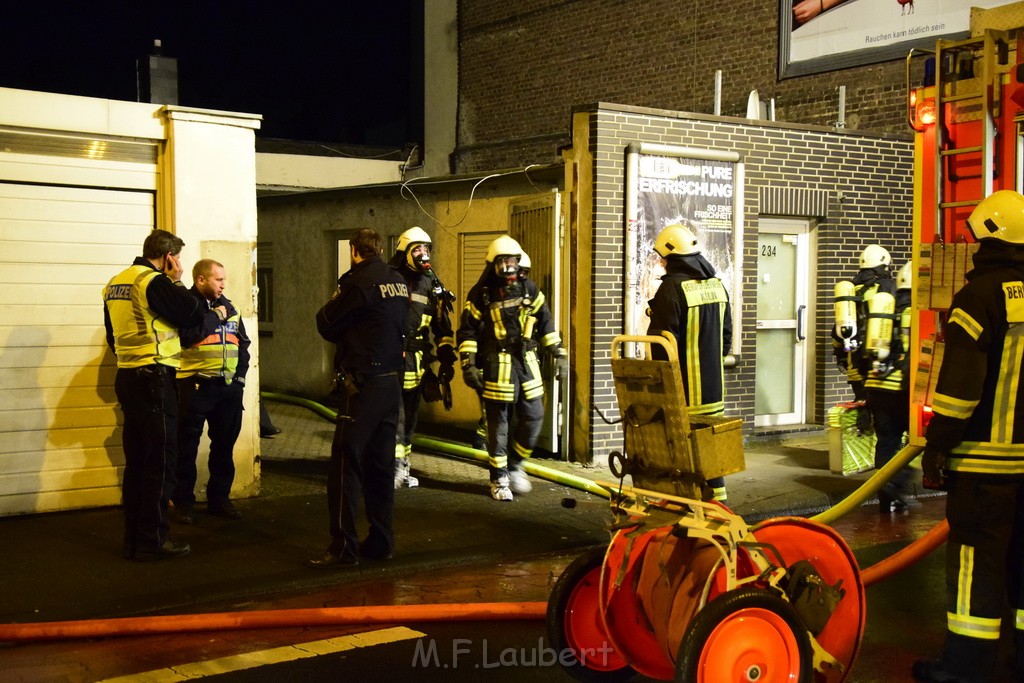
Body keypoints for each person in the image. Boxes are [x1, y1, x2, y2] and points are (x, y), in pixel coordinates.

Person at [914, 190, 1024, 683]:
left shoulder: (979, 297)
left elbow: (959, 392)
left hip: (984, 467)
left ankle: (964, 669)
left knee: (976, 568)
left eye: (975, 237)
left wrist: (937, 444)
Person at [102, 229, 224, 561]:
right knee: (160, 462)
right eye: (178, 258)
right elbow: (192, 312)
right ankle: (153, 540)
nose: (180, 264)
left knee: (138, 462)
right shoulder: (152, 282)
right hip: (155, 379)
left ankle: (133, 538)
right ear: (168, 257)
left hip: (128, 376)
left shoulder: (116, 283)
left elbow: (113, 337)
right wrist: (178, 280)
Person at [307, 228, 409, 569]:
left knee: (345, 465)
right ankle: (382, 542)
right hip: (390, 385)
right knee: (381, 466)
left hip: (362, 387)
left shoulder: (357, 282)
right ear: (380, 248)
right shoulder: (396, 280)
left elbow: (325, 322)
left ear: (354, 251)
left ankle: (343, 547)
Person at [458, 237, 567, 501]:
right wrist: (468, 364)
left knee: (534, 417)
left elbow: (546, 323)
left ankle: (516, 464)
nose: (509, 266)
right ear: (493, 263)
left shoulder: (530, 288)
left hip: (526, 363)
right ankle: (499, 478)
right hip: (498, 365)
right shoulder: (481, 293)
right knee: (499, 425)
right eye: (504, 261)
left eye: (513, 261)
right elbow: (467, 331)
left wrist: (559, 353)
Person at [646, 223, 733, 503]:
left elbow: (663, 341)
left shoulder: (672, 287)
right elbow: (726, 335)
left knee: (682, 451)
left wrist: (659, 383)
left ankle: (687, 508)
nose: (661, 262)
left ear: (673, 257)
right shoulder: (717, 286)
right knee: (709, 449)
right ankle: (717, 505)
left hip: (683, 389)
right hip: (714, 389)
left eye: (663, 257)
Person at [169, 259, 250, 524]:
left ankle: (220, 499)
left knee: (224, 447)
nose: (223, 284)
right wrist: (214, 317)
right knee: (186, 448)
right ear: (201, 280)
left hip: (227, 389)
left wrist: (239, 378)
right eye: (218, 279)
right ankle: (183, 503)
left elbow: (244, 345)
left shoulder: (230, 307)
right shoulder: (186, 305)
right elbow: (187, 336)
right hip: (194, 386)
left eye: (224, 279)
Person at [388, 226, 456, 489]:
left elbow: (441, 325)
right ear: (404, 252)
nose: (423, 254)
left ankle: (404, 467)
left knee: (411, 416)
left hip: (417, 363)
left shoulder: (431, 283)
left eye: (426, 249)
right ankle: (392, 467)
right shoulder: (391, 277)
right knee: (397, 416)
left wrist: (447, 354)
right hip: (393, 359)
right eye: (417, 249)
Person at [864, 260, 919, 513]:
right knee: (918, 442)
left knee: (886, 442)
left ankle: (886, 497)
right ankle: (894, 486)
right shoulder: (917, 311)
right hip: (900, 389)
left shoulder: (886, 306)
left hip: (876, 385)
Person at [471, 250, 532, 452]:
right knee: (494, 411)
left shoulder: (522, 296)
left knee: (505, 411)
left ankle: (489, 443)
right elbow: (475, 332)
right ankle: (487, 444)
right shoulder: (486, 296)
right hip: (487, 362)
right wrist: (475, 362)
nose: (519, 277)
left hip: (507, 365)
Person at [832, 244, 896, 403]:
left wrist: (840, 357)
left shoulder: (850, 290)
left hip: (854, 363)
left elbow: (838, 329)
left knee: (861, 408)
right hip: (881, 365)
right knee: (881, 412)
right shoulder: (890, 288)